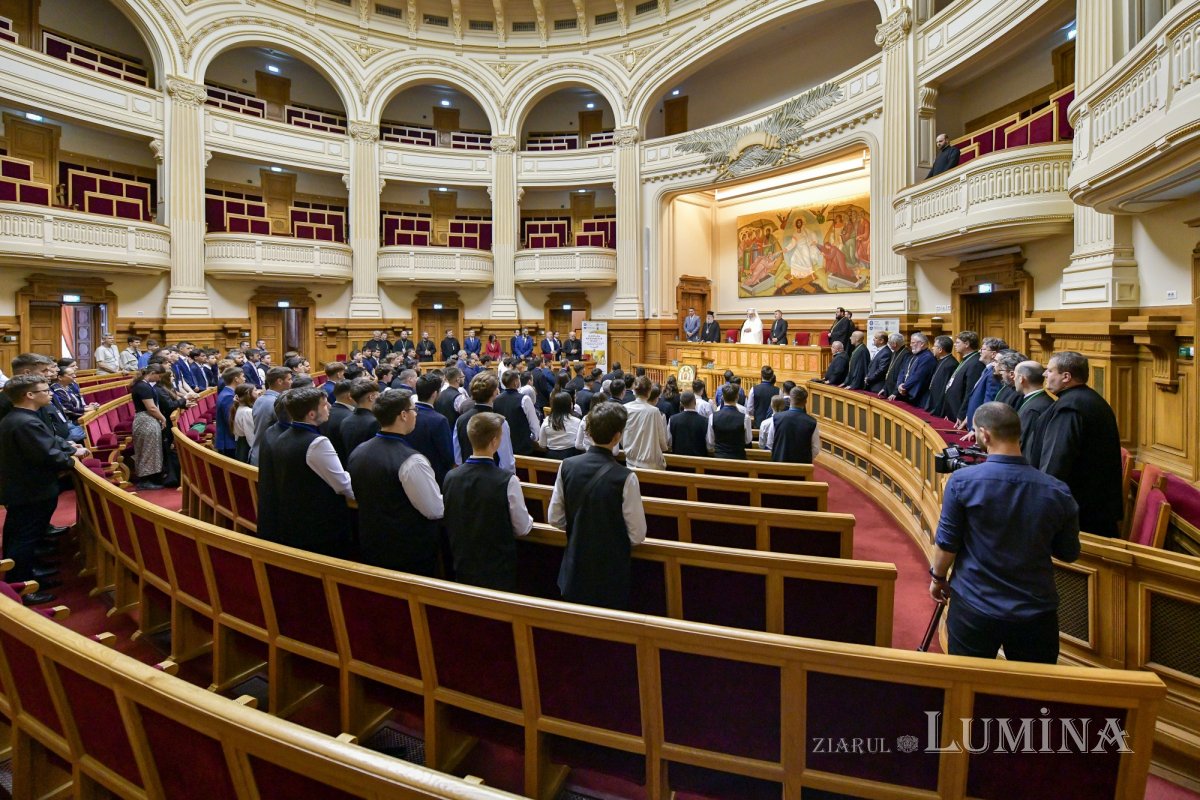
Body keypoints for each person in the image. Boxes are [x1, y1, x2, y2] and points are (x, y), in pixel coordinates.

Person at [929, 402, 1079, 664]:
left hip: (975, 604)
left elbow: (947, 543)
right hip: (1035, 610)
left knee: (967, 686)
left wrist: (937, 578)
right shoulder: (1057, 490)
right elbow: (1069, 553)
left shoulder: (962, 482)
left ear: (985, 435)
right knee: (1033, 694)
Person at [549, 402, 647, 610]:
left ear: (589, 432)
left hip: (575, 566)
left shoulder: (566, 466)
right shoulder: (626, 477)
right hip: (611, 572)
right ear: (617, 437)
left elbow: (554, 518)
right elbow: (637, 535)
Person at [349, 391, 445, 576]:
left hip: (372, 540)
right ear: (403, 415)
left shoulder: (359, 450)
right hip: (409, 551)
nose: (416, 413)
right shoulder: (412, 461)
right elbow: (434, 510)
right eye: (413, 409)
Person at [0, 375, 77, 601]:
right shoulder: (25, 422)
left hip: (26, 488)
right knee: (23, 538)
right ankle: (22, 586)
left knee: (23, 535)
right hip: (30, 490)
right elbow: (47, 455)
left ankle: (29, 574)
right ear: (29, 395)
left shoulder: (20, 418)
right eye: (44, 390)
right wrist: (73, 460)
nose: (50, 392)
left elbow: (49, 444)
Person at [1034, 352, 1124, 538]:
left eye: (1050, 370)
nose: (1044, 374)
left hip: (1081, 516)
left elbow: (1056, 462)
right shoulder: (1087, 398)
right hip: (1094, 508)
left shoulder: (1070, 407)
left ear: (1066, 377)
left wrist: (1039, 503)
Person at [257, 387, 355, 555]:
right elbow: (342, 484)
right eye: (324, 405)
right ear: (311, 414)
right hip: (319, 524)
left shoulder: (282, 435)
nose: (329, 407)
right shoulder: (317, 442)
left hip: (294, 518)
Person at [444, 412, 534, 591]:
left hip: (463, 560)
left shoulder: (451, 476)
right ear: (494, 442)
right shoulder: (508, 480)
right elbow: (522, 527)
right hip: (498, 565)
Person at [452, 372, 515, 471]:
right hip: (493, 479)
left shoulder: (460, 420)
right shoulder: (499, 422)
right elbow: (506, 461)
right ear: (495, 393)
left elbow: (458, 458)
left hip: (467, 476)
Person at [407, 373, 456, 484]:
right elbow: (447, 455)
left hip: (410, 472)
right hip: (434, 474)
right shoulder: (439, 420)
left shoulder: (408, 414)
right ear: (435, 394)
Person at [130, 365, 168, 490]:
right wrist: (163, 418)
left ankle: (150, 478)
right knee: (148, 450)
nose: (158, 379)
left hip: (146, 420)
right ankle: (145, 481)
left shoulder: (143, 385)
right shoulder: (143, 386)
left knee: (150, 449)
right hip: (145, 420)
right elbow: (151, 407)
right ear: (152, 373)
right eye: (158, 376)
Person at [959, 337, 1006, 433]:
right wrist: (968, 416)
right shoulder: (987, 370)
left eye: (983, 349)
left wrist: (977, 428)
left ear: (993, 354)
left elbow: (988, 403)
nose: (980, 351)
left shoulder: (993, 374)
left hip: (980, 430)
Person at [249, 367, 293, 465]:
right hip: (269, 455)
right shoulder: (276, 403)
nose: (291, 382)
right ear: (279, 381)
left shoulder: (260, 399)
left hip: (257, 451)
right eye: (289, 379)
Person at [622, 376, 668, 469]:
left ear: (634, 391)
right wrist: (664, 448)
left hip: (630, 460)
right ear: (649, 391)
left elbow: (621, 434)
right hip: (649, 462)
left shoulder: (624, 408)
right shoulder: (654, 411)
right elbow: (661, 438)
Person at [940, 331, 985, 423]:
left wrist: (962, 415)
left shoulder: (975, 363)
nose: (955, 345)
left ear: (967, 344)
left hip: (960, 415)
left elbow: (970, 391)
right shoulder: (967, 359)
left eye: (957, 342)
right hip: (953, 411)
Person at [771, 386, 820, 464]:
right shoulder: (812, 422)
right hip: (802, 466)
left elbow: (770, 442)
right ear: (805, 402)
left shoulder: (776, 418)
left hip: (779, 464)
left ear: (789, 400)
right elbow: (815, 448)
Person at [1014, 360, 1053, 457]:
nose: (1013, 378)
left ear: (1021, 379)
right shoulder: (1042, 399)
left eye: (1015, 375)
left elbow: (1024, 444)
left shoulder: (1033, 409)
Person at [495, 370, 539, 456]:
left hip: (503, 446)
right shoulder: (524, 399)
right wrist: (533, 438)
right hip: (522, 447)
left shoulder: (496, 399)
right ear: (516, 382)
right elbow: (534, 424)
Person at [708, 384, 751, 459]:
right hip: (739, 459)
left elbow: (711, 441)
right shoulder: (745, 418)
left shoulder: (712, 417)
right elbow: (748, 440)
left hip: (719, 459)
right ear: (737, 397)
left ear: (722, 397)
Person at [894, 332, 937, 404]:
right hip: (905, 393)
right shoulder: (913, 355)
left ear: (922, 344)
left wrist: (904, 387)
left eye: (913, 343)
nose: (910, 345)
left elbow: (918, 376)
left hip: (917, 397)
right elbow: (902, 371)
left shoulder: (927, 357)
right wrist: (899, 385)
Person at [922, 336, 958, 418]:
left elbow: (945, 390)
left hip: (941, 408)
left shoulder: (951, 364)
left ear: (940, 350)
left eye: (934, 346)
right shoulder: (941, 360)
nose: (932, 348)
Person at [539, 391, 582, 459]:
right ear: (570, 405)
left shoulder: (546, 421)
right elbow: (580, 443)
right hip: (572, 457)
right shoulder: (577, 422)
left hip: (551, 457)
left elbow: (542, 444)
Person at [667, 390, 708, 457]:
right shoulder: (704, 421)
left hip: (678, 459)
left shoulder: (673, 419)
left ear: (681, 404)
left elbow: (669, 441)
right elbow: (708, 443)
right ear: (695, 402)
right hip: (699, 461)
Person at [214, 367, 244, 458]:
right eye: (243, 376)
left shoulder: (228, 393)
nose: (245, 379)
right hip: (229, 442)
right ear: (236, 379)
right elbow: (230, 421)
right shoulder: (228, 396)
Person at [231, 384, 258, 463]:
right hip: (246, 446)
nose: (258, 392)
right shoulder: (247, 412)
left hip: (241, 443)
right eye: (255, 390)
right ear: (248, 394)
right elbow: (250, 436)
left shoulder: (240, 408)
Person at [881, 333, 912, 399]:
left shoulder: (906, 354)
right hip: (889, 389)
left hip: (897, 393)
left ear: (894, 344)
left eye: (889, 342)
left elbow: (903, 375)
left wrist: (895, 393)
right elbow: (889, 372)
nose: (888, 344)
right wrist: (884, 388)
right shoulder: (894, 352)